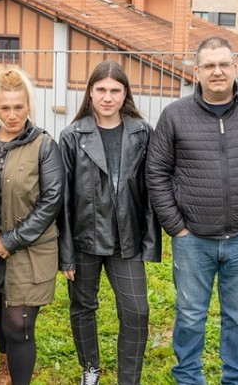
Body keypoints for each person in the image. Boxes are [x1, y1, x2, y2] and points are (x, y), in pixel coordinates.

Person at [146, 36, 238, 385]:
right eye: (209, 65)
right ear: (197, 72)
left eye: (224, 64)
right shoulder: (175, 115)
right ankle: (188, 378)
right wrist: (176, 227)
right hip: (193, 239)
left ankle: (235, 379)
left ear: (236, 68)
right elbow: (157, 173)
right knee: (190, 315)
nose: (218, 71)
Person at [58, 60, 158, 385]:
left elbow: (150, 189)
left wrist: (149, 241)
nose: (107, 97)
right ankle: (91, 368)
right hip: (85, 240)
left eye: (115, 90)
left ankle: (128, 378)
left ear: (125, 93)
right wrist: (66, 252)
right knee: (83, 306)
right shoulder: (73, 136)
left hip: (125, 241)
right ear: (90, 92)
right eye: (101, 89)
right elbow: (65, 200)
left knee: (137, 312)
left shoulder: (142, 132)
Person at [0, 66, 64, 385]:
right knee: (1, 314)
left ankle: (18, 378)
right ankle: (5, 369)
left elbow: (51, 201)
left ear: (29, 105)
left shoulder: (44, 146)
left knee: (18, 324)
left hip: (29, 249)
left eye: (19, 107)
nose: (12, 115)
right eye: (5, 108)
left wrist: (10, 240)